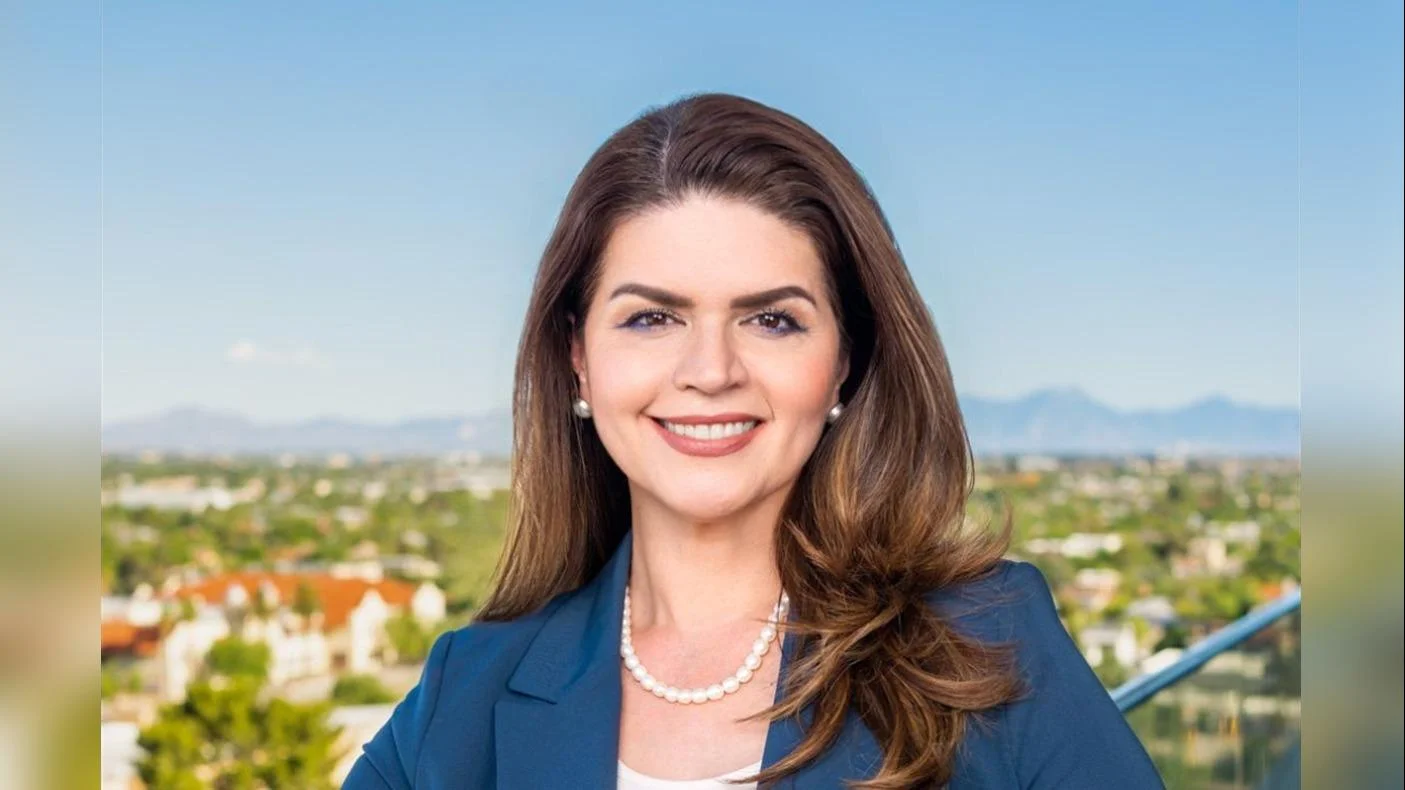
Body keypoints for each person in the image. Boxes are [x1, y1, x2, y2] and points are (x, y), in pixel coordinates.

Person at [342, 92, 1164, 789]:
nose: (710, 371)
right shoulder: (464, 693)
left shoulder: (989, 644)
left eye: (771, 319)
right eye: (651, 318)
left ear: (843, 362)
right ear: (578, 359)